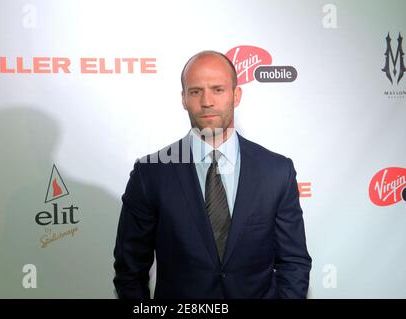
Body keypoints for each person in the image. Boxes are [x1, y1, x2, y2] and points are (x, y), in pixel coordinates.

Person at [113, 50, 312, 299]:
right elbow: (129, 271)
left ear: (236, 95)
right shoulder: (150, 174)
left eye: (217, 89)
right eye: (196, 91)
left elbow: (293, 262)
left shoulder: (276, 171)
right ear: (183, 98)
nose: (206, 101)